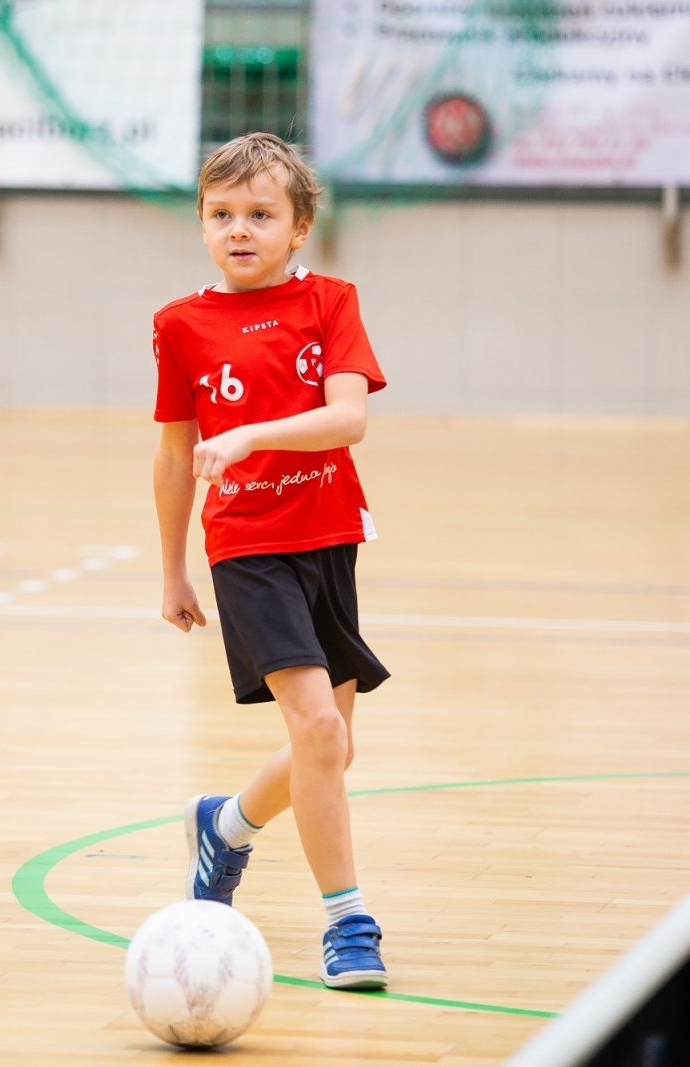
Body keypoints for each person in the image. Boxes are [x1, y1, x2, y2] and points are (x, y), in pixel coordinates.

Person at [151, 133, 391, 990]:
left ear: (300, 227)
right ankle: (347, 919)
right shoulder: (179, 323)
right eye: (221, 214)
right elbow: (177, 454)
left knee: (333, 747)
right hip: (247, 546)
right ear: (203, 223)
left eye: (260, 214)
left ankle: (228, 825)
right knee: (319, 730)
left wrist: (252, 432)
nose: (238, 229)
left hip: (328, 538)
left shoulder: (331, 301)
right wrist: (175, 566)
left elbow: (348, 420)